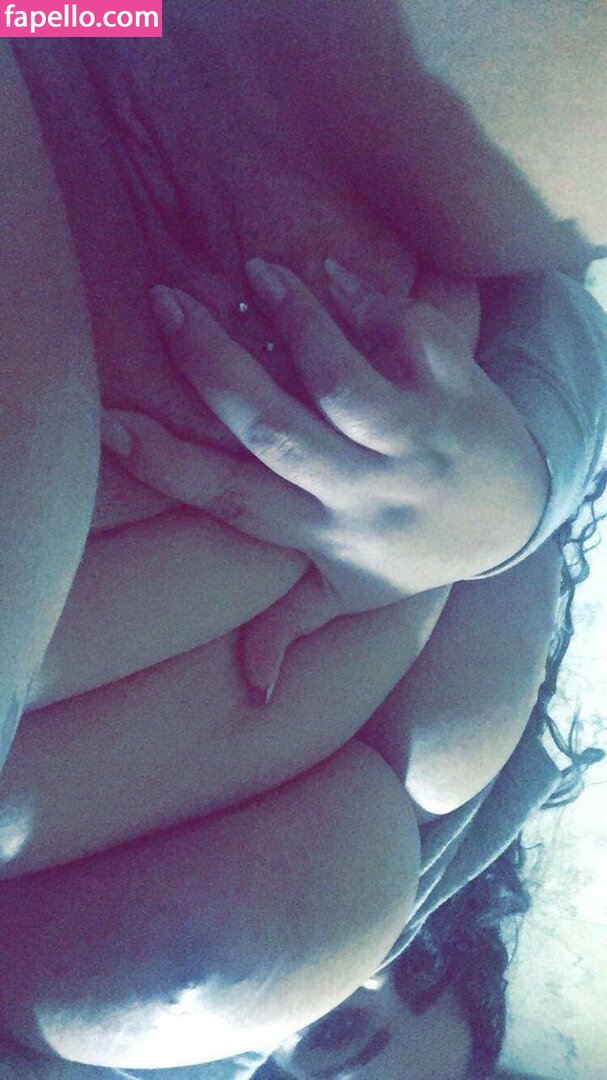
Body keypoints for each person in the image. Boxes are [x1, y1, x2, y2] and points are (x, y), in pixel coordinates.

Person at [1, 0, 606, 1072]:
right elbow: (555, 322)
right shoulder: (479, 790)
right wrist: (517, 489)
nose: (368, 971)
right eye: (420, 966)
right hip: (240, 114)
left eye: (334, 1047)